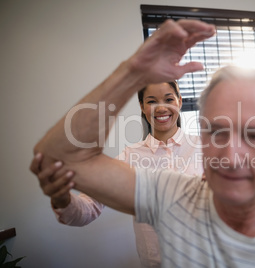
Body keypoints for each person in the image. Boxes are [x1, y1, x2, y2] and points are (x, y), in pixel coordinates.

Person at [30, 19, 255, 267]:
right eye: (217, 132)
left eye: (254, 134)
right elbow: (62, 157)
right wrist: (133, 71)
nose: (232, 156)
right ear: (203, 139)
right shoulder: (170, 195)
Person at [34, 80, 203, 267]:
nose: (161, 108)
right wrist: (62, 199)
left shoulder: (206, 148)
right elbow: (87, 209)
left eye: (169, 99)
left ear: (179, 101)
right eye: (152, 101)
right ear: (142, 106)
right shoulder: (129, 156)